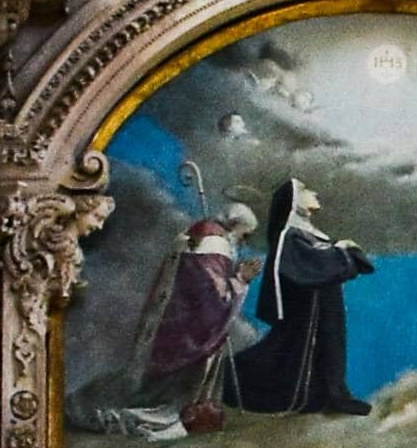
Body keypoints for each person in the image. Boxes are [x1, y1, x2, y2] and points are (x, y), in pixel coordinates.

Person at [227, 174, 374, 416]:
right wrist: (341, 250)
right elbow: (309, 265)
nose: (314, 194)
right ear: (294, 202)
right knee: (293, 353)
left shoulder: (311, 233)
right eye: (306, 190)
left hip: (325, 302)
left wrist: (340, 250)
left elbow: (329, 259)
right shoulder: (291, 235)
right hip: (307, 310)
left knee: (332, 345)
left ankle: (333, 394)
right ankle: (235, 379)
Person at [131, 202, 256, 432]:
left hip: (173, 323)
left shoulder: (202, 236)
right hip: (189, 333)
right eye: (245, 235)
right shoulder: (216, 245)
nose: (244, 242)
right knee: (175, 398)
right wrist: (241, 281)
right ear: (234, 225)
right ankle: (171, 417)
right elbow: (211, 302)